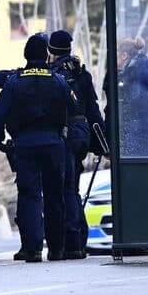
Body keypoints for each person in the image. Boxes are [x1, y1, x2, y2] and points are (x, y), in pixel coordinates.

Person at [0, 35, 75, 262]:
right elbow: (74, 106)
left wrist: (1, 139)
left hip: (25, 145)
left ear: (26, 56)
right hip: (54, 145)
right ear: (46, 55)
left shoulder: (14, 82)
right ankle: (57, 249)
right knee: (55, 197)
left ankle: (32, 249)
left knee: (29, 196)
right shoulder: (57, 79)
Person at [47, 29, 105, 260]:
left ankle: (71, 242)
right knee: (74, 189)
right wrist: (103, 144)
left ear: (51, 51)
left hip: (64, 134)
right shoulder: (82, 74)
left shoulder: (53, 74)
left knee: (66, 189)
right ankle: (79, 240)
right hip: (81, 134)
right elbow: (93, 111)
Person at [116, 37, 148, 156]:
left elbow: (133, 106)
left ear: (124, 55)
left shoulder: (132, 76)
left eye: (117, 55)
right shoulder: (144, 72)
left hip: (137, 135)